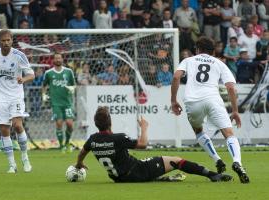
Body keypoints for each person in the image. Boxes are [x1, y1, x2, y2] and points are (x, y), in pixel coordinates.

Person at [73, 107, 233, 183]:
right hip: (136, 172)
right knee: (175, 160)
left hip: (118, 178)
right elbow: (142, 144)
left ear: (96, 124)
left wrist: (79, 163)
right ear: (110, 122)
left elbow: (82, 152)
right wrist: (144, 127)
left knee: (150, 163)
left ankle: (158, 178)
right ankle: (212, 175)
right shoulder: (118, 138)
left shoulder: (92, 140)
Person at [170, 36, 250, 184]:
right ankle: (237, 162)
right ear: (213, 51)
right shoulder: (219, 63)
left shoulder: (188, 60)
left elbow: (176, 77)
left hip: (192, 102)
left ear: (197, 49)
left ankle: (217, 159)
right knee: (229, 134)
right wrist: (235, 111)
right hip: (213, 100)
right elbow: (231, 87)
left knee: (199, 131)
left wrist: (174, 100)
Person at [0, 29, 34, 173]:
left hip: (15, 95)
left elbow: (31, 74)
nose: (6, 43)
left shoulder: (19, 55)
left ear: (12, 40)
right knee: (4, 129)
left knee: (17, 125)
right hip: (0, 98)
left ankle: (24, 157)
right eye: (3, 40)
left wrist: (24, 79)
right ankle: (12, 164)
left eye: (8, 40)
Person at [42, 53, 76, 152]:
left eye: (59, 58)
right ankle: (61, 146)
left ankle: (67, 143)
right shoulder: (48, 73)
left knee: (70, 124)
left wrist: (72, 88)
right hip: (56, 103)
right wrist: (44, 95)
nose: (58, 59)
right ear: (53, 60)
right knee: (59, 123)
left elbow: (74, 85)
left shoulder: (69, 71)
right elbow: (44, 86)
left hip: (67, 102)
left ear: (62, 59)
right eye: (56, 58)